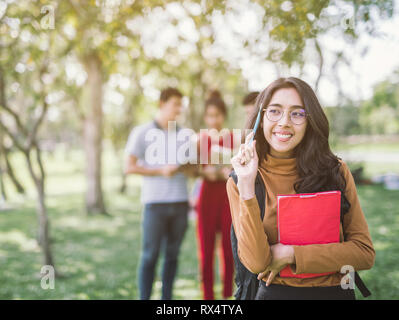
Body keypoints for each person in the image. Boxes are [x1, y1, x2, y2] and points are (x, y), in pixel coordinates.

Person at [227, 77, 375, 300]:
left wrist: (291, 254)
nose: (284, 122)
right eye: (274, 111)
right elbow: (256, 263)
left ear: (309, 121)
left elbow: (364, 253)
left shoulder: (336, 171)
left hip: (335, 293)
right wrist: (247, 186)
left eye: (297, 113)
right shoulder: (242, 181)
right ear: (260, 117)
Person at [124, 87, 189, 300]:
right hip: (155, 205)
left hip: (180, 203)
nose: (179, 109)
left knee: (172, 256)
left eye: (181, 104)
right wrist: (160, 170)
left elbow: (194, 170)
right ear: (162, 104)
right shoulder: (141, 132)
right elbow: (129, 167)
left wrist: (188, 166)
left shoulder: (184, 134)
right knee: (150, 256)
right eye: (175, 104)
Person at [196, 90, 235, 300]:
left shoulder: (232, 138)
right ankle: (207, 298)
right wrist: (206, 172)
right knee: (206, 249)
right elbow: (193, 169)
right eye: (210, 115)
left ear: (223, 115)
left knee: (229, 250)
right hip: (207, 196)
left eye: (217, 115)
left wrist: (228, 171)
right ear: (205, 117)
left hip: (227, 198)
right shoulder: (200, 139)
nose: (214, 119)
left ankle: (228, 295)